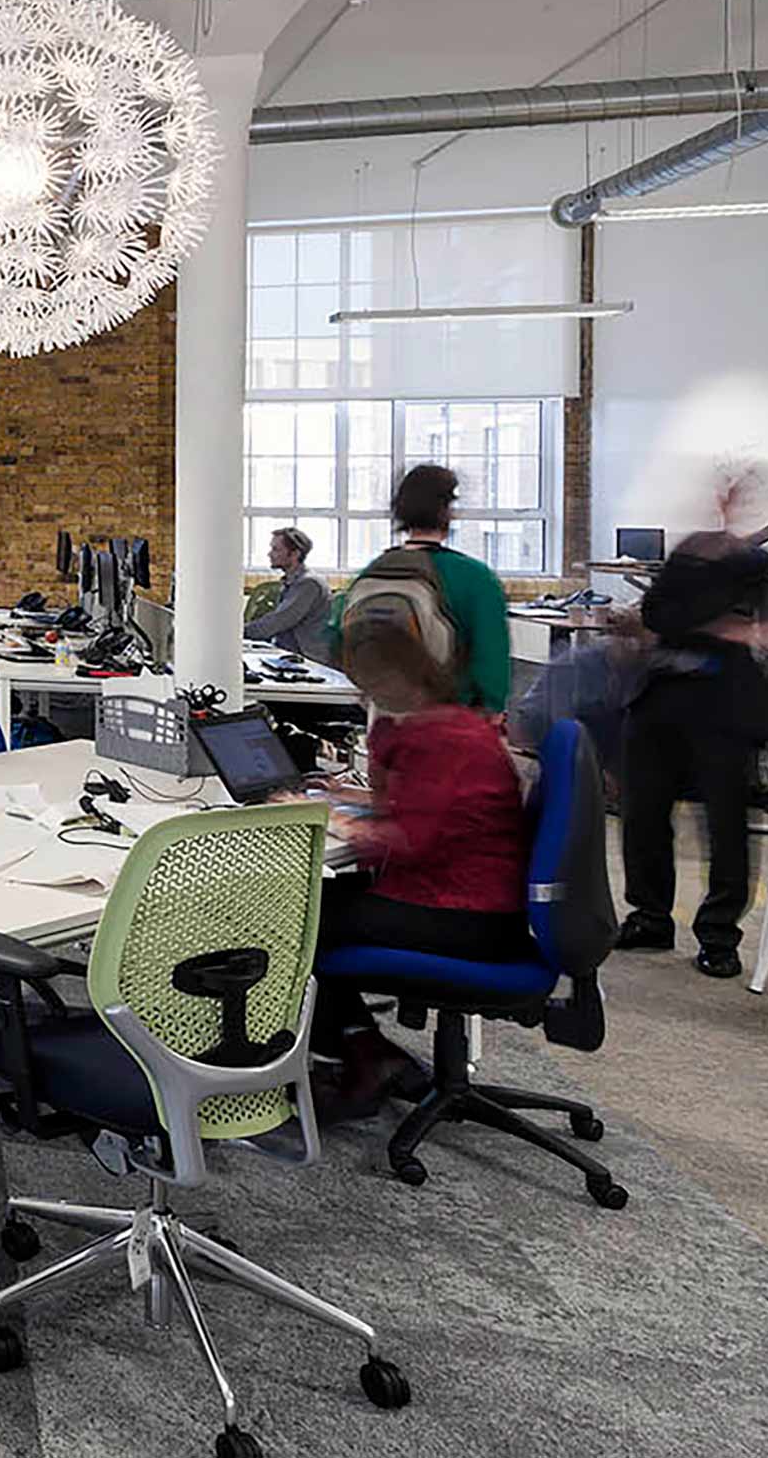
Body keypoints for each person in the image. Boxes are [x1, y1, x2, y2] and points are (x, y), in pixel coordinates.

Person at [309, 615, 537, 1121]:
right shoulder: (448, 722)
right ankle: (365, 1049)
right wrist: (349, 797)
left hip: (463, 914)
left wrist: (338, 825)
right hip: (475, 901)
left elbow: (410, 841)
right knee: (320, 908)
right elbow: (422, 807)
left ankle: (362, 1055)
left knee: (297, 922)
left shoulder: (438, 737)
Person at [616, 531, 768, 979]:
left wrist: (705, 624)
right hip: (659, 699)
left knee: (725, 823)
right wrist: (719, 626)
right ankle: (650, 917)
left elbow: (673, 615)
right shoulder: (687, 555)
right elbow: (658, 614)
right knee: (643, 813)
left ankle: (718, 935)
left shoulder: (746, 562)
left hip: (721, 707)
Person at [333, 462, 513, 713]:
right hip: (451, 720)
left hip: (383, 718)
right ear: (448, 511)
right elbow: (491, 659)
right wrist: (492, 709)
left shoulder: (373, 570)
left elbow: (336, 640)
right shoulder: (475, 578)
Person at [245, 526, 329, 658]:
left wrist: (237, 632)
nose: (270, 554)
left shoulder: (308, 584)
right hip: (288, 654)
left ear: (295, 554)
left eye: (276, 549)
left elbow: (277, 622)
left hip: (307, 660)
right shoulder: (290, 582)